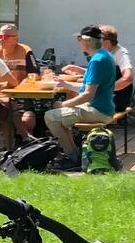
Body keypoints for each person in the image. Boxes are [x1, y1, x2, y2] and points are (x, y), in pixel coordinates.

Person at [45, 25, 115, 169]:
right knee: (59, 114)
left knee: (50, 116)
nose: (78, 43)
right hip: (104, 107)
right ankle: (74, 154)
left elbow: (87, 95)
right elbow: (87, 88)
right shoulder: (103, 55)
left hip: (98, 110)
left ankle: (72, 158)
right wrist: (65, 84)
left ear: (86, 41)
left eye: (79, 39)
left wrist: (64, 105)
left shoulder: (97, 61)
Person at [0, 23, 41, 138]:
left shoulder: (25, 50)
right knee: (5, 118)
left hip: (21, 95)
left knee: (28, 121)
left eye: (5, 37)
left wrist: (26, 82)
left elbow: (35, 74)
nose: (1, 40)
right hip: (0, 95)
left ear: (15, 38)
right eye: (0, 36)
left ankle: (27, 147)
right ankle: (11, 147)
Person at [104, 26, 135, 111]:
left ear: (107, 42)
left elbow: (128, 78)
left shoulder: (120, 53)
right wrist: (79, 70)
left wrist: (104, 90)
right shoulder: (107, 53)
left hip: (116, 101)